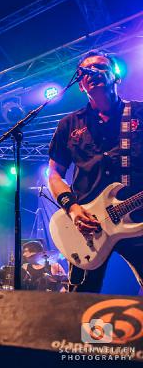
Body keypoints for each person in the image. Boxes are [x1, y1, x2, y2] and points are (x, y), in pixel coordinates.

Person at [48, 50, 143, 293]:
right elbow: (55, 174)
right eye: (85, 71)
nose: (92, 73)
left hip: (138, 218)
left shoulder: (139, 114)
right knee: (82, 301)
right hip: (88, 226)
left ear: (116, 76)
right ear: (81, 85)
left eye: (100, 67)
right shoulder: (69, 124)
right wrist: (73, 209)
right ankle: (89, 325)